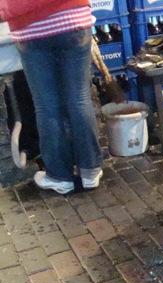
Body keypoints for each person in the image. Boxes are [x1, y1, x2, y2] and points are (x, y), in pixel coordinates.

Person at [0, 0, 103, 194]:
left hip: (32, 30)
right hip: (73, 19)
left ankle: (59, 176)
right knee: (79, 98)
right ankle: (90, 171)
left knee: (47, 106)